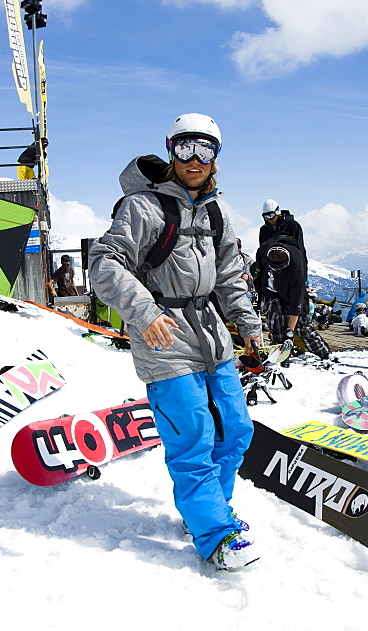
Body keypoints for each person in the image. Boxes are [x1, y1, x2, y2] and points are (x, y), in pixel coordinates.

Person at [88, 113, 262, 571]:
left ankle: (209, 511)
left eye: (205, 150)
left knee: (236, 430)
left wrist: (247, 324)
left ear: (216, 158)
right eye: (184, 147)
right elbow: (104, 263)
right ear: (170, 150)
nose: (194, 159)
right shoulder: (143, 208)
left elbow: (230, 274)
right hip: (163, 335)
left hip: (212, 334)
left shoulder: (217, 212)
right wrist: (144, 312)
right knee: (193, 437)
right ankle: (216, 535)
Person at [252, 238, 332, 360]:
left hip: (290, 293)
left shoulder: (297, 267)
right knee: (276, 324)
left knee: (303, 327)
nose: (278, 271)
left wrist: (290, 332)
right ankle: (279, 356)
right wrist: (257, 272)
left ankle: (325, 354)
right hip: (271, 292)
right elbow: (258, 262)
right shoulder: (265, 249)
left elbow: (296, 304)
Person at [236, 238, 256, 304]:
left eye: (239, 246)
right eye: (235, 246)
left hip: (247, 292)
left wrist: (248, 277)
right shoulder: (225, 260)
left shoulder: (248, 259)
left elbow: (256, 276)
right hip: (232, 293)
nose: (237, 248)